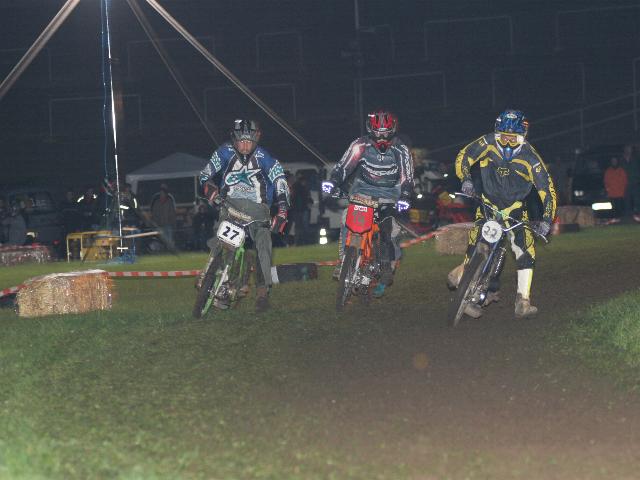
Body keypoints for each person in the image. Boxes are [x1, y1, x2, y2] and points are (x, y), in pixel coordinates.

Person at [449, 109, 557, 318]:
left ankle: (523, 301)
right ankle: (464, 274)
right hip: (487, 204)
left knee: (526, 249)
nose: (507, 143)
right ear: (497, 134)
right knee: (476, 238)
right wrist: (466, 178)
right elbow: (465, 155)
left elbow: (547, 191)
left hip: (515, 210)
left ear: (523, 137)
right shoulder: (487, 142)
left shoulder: (531, 159)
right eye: (504, 138)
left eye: (513, 139)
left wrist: (547, 220)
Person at [198, 119, 290, 312]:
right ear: (234, 140)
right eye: (241, 141)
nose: (245, 146)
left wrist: (282, 210)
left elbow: (280, 181)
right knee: (222, 239)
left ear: (256, 140)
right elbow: (205, 174)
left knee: (263, 244)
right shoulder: (224, 152)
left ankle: (262, 292)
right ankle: (216, 274)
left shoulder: (265, 157)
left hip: (258, 209)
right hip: (229, 203)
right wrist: (210, 189)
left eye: (249, 142)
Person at [322, 109, 414, 298]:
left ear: (393, 131)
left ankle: (387, 268)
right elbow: (344, 166)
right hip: (363, 189)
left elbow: (407, 177)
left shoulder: (401, 149)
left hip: (391, 192)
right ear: (370, 130)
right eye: (377, 132)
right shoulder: (360, 144)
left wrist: (405, 196)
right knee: (347, 218)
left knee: (390, 231)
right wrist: (333, 181)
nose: (381, 137)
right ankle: (344, 261)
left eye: (386, 133)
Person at [289, 171, 313, 245]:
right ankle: (303, 242)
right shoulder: (301, 187)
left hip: (299, 209)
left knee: (299, 226)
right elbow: (306, 198)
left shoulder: (297, 187)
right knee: (302, 226)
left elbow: (293, 198)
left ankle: (299, 242)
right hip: (300, 209)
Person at [150, 183, 177, 248]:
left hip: (168, 224)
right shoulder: (156, 202)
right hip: (159, 224)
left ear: (165, 194)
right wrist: (156, 222)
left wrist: (172, 222)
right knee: (160, 239)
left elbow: (172, 213)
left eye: (163, 193)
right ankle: (160, 248)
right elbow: (154, 213)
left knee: (169, 237)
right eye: (161, 193)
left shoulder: (169, 201)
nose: (162, 194)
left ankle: (170, 248)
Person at [603, 156, 628, 222]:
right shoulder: (608, 171)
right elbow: (606, 181)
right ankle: (614, 218)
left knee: (619, 207)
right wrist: (607, 189)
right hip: (611, 193)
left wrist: (623, 191)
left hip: (620, 193)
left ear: (617, 161)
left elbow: (625, 181)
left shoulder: (621, 171)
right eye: (613, 161)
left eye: (615, 161)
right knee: (612, 207)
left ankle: (619, 219)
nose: (614, 162)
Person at [620, 144, 640, 222]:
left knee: (637, 200)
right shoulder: (621, 160)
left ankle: (638, 215)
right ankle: (628, 216)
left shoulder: (636, 159)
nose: (628, 150)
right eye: (627, 148)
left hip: (635, 182)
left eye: (629, 149)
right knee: (627, 200)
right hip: (625, 184)